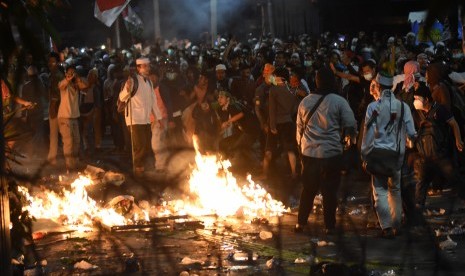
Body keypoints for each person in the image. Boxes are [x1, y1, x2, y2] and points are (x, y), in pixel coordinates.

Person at [295, 67, 357, 234]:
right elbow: (351, 125)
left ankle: (300, 223)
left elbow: (299, 129)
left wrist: (302, 149)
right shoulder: (339, 102)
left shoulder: (305, 101)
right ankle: (329, 226)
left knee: (308, 190)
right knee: (329, 192)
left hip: (309, 154)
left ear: (316, 81)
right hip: (331, 154)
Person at [361, 73, 417, 238]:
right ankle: (396, 225)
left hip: (377, 155)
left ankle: (386, 228)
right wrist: (409, 141)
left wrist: (364, 154)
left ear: (378, 87)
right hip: (396, 157)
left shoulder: (373, 108)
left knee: (380, 192)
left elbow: (368, 133)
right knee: (396, 190)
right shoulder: (403, 107)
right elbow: (412, 133)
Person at [412, 88, 464, 210]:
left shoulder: (440, 110)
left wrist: (458, 140)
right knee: (422, 179)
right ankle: (419, 204)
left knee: (453, 176)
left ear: (427, 99)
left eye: (418, 98)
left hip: (440, 153)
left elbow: (453, 123)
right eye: (415, 99)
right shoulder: (418, 113)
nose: (416, 101)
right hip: (426, 154)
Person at [119, 57, 163, 177]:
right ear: (138, 68)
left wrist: (159, 118)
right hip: (134, 119)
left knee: (146, 145)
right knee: (140, 146)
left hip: (146, 119)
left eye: (148, 66)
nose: (148, 68)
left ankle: (141, 169)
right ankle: (137, 171)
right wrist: (127, 89)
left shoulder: (148, 82)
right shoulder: (133, 80)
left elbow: (153, 101)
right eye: (145, 66)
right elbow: (122, 97)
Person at [57, 65, 88, 172]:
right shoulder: (64, 83)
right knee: (68, 142)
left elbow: (84, 87)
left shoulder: (76, 84)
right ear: (65, 74)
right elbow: (60, 86)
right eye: (69, 72)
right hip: (64, 117)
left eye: (73, 72)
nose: (71, 74)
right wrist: (67, 79)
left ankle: (73, 163)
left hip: (74, 117)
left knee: (77, 141)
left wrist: (77, 79)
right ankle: (69, 166)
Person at [46, 52, 64, 165]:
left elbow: (56, 95)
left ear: (57, 63)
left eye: (53, 61)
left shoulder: (57, 76)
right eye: (49, 61)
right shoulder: (51, 75)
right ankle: (52, 158)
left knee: (60, 134)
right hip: (56, 107)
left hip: (58, 108)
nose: (50, 64)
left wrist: (53, 108)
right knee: (54, 135)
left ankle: (54, 158)